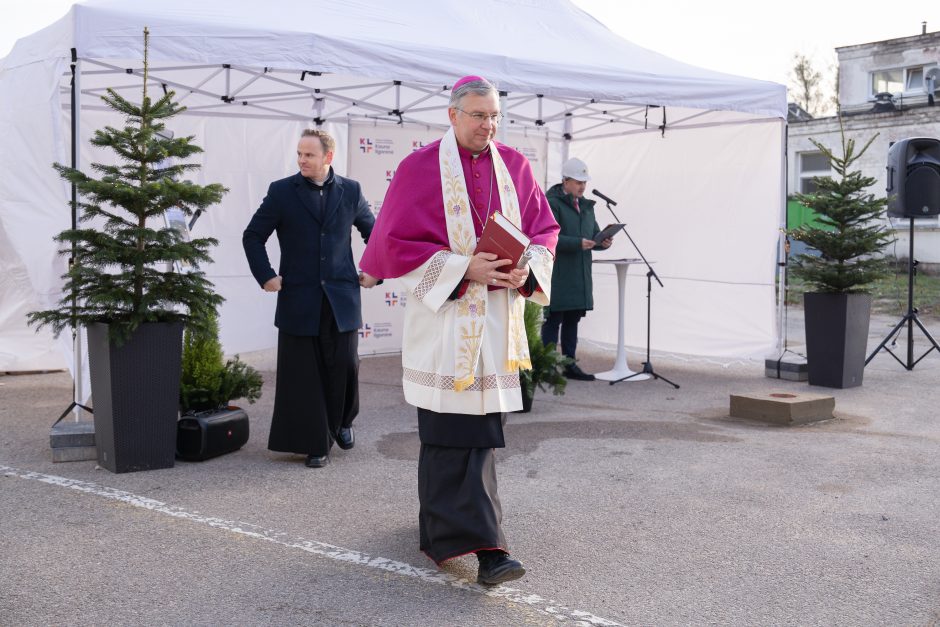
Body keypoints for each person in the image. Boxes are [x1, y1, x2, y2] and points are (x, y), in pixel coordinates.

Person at [358, 76, 559, 585]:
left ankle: (444, 531)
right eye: (477, 115)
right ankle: (489, 549)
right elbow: (394, 245)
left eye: (493, 116)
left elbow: (543, 229)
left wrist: (525, 269)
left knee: (481, 431)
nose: (487, 125)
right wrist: (463, 269)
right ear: (452, 115)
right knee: (451, 431)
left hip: (494, 325)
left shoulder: (513, 164)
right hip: (447, 324)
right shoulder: (418, 167)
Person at [243, 129, 376, 469]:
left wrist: (375, 270)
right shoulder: (282, 191)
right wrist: (266, 276)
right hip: (298, 298)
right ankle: (315, 443)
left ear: (328, 158)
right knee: (306, 374)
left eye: (309, 155)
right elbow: (253, 235)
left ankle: (343, 421)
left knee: (345, 364)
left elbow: (374, 234)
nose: (302, 160)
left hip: (342, 296)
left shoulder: (351, 190)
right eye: (299, 154)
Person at [540, 158, 612, 381]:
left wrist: (603, 242)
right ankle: (548, 366)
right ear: (565, 181)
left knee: (573, 320)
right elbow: (547, 238)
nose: (582, 186)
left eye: (584, 182)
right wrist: (577, 243)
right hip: (559, 274)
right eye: (578, 181)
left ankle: (569, 364)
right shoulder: (551, 203)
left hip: (580, 274)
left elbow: (594, 236)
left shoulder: (588, 207)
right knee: (554, 320)